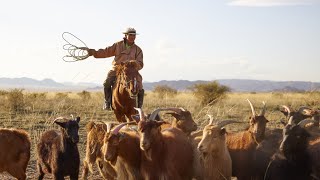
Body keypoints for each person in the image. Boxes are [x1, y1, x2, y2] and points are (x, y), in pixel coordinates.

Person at [85, 27, 144, 110]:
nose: (132, 37)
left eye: (134, 35)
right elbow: (106, 52)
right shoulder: (118, 45)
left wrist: (134, 64)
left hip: (131, 71)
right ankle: (107, 102)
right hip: (117, 69)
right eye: (130, 35)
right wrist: (94, 52)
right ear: (125, 35)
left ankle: (139, 107)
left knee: (140, 83)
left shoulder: (138, 50)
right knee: (107, 82)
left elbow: (141, 64)